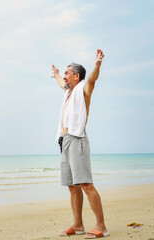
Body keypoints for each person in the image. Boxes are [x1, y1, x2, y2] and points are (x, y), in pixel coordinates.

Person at [51, 49, 109, 239]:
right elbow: (61, 83)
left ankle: (101, 226)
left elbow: (92, 79)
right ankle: (78, 225)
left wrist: (98, 65)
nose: (65, 77)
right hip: (64, 141)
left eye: (68, 73)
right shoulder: (69, 92)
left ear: (76, 76)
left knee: (85, 184)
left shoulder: (83, 88)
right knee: (72, 186)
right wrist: (58, 74)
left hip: (77, 139)